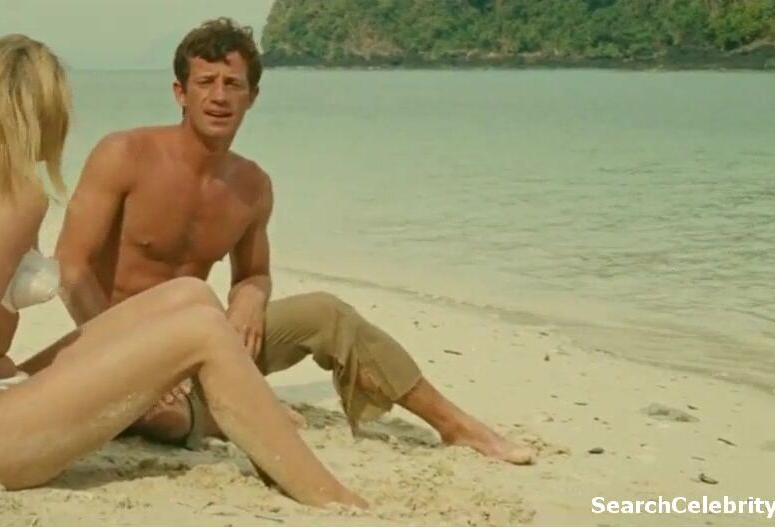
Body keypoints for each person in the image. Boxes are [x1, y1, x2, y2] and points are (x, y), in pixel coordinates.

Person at [0, 33, 366, 508]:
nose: (65, 117)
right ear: (35, 109)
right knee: (203, 329)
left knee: (189, 294)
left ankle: (221, 411)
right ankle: (327, 494)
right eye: (59, 102)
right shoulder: (16, 199)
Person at [53, 18, 535, 465]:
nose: (219, 96)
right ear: (180, 92)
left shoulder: (252, 186)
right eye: (205, 82)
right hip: (115, 348)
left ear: (252, 96)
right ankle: (221, 411)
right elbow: (71, 268)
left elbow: (254, 272)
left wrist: (248, 297)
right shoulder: (124, 155)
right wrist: (129, 359)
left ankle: (455, 426)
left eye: (233, 84)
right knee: (166, 417)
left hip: (198, 345)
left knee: (326, 313)